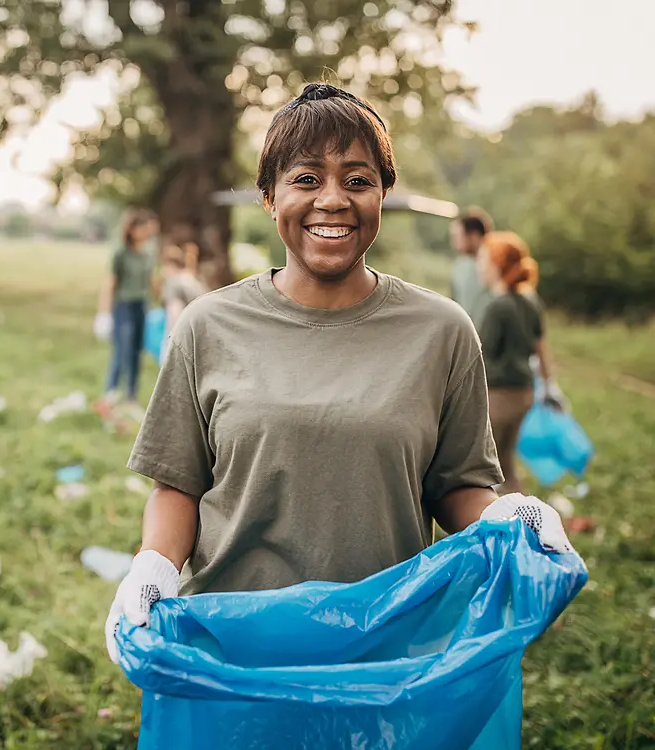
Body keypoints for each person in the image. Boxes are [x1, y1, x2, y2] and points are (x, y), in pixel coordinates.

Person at [105, 83, 575, 661]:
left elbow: (456, 485)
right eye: (306, 179)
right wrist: (152, 566)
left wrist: (502, 514)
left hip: (385, 649)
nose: (333, 199)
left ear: (383, 194)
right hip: (235, 646)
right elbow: (178, 484)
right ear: (269, 198)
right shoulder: (208, 325)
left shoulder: (443, 330)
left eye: (358, 180)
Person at [477, 231, 563, 494]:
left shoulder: (498, 307)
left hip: (498, 398)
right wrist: (549, 385)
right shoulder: (530, 302)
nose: (479, 267)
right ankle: (522, 520)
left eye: (483, 260)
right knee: (506, 464)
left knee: (482, 469)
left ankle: (493, 525)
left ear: (497, 265)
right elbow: (541, 348)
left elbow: (478, 358)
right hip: (524, 393)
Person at [93, 208, 159, 419]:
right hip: (124, 306)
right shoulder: (121, 252)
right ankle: (109, 396)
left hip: (142, 305)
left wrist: (165, 300)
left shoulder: (148, 251)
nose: (143, 231)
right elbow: (110, 283)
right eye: (138, 227)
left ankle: (131, 398)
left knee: (136, 353)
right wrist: (103, 313)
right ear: (130, 229)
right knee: (122, 351)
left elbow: (151, 280)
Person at [157, 244, 207, 364]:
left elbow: (174, 312)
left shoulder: (174, 284)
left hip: (184, 334)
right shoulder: (190, 279)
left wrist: (170, 342)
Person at [450, 208, 495, 328]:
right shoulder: (460, 266)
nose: (454, 242)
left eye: (458, 236)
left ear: (474, 236)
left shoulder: (495, 265)